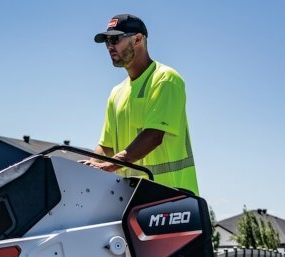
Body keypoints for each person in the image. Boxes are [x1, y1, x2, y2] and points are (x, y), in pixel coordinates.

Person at [84, 14, 199, 195]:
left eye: (115, 39)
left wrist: (108, 166)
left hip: (173, 195)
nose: (110, 47)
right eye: (106, 42)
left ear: (137, 39)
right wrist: (88, 168)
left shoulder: (166, 79)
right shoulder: (116, 93)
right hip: (131, 197)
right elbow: (106, 147)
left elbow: (153, 136)